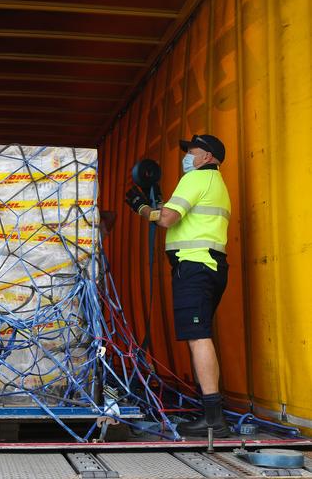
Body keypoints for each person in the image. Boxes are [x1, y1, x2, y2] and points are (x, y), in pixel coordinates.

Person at [125, 134, 231, 437]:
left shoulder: (196, 179)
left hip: (195, 266)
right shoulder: (216, 185)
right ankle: (209, 412)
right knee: (198, 335)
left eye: (192, 152)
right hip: (210, 265)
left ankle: (213, 418)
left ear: (207, 157)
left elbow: (167, 218)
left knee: (198, 336)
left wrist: (140, 207)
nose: (187, 157)